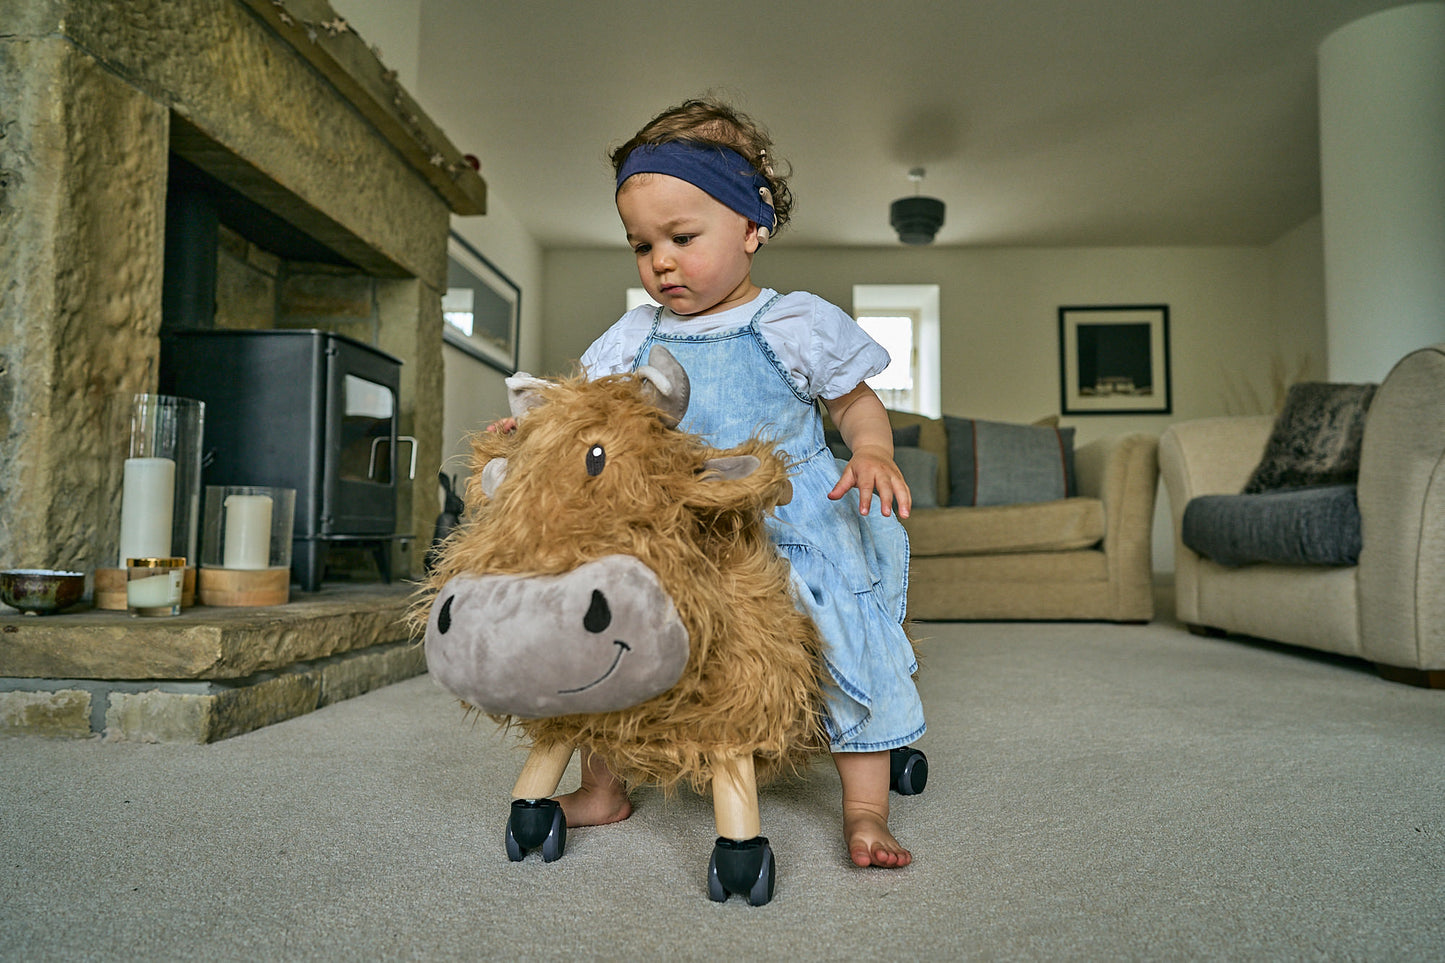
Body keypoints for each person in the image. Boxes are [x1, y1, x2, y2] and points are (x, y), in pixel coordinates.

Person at [547, 98, 927, 869]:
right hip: (680, 524)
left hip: (787, 522)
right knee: (615, 637)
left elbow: (853, 401)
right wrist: (538, 434)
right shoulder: (633, 336)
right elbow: (585, 411)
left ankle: (863, 809)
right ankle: (602, 785)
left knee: (844, 643)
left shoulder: (792, 322)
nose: (660, 260)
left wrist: (872, 450)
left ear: (751, 228)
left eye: (682, 238)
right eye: (641, 244)